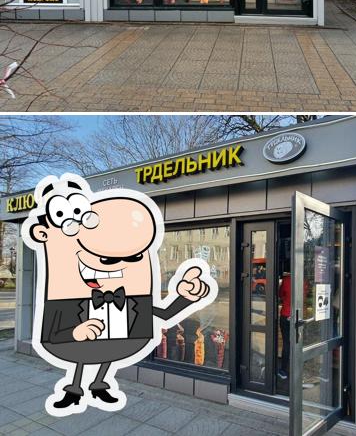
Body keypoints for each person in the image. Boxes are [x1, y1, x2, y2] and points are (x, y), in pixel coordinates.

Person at [22, 173, 217, 416]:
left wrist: (186, 297)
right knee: (84, 354)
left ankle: (99, 384)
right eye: (106, 259)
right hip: (77, 346)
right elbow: (52, 333)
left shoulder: (133, 299)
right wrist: (75, 331)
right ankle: (74, 390)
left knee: (106, 353)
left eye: (134, 257)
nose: (114, 265)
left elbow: (165, 314)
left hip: (118, 344)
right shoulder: (65, 300)